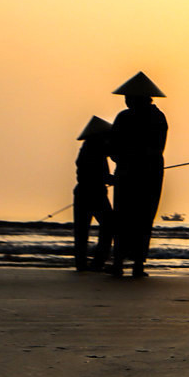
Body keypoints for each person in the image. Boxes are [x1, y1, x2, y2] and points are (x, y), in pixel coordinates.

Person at [107, 72, 169, 279]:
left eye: (128, 97)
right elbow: (157, 148)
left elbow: (113, 149)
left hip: (134, 174)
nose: (126, 100)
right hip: (147, 173)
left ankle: (123, 263)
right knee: (141, 218)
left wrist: (127, 158)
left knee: (126, 217)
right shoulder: (157, 117)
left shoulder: (126, 118)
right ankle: (135, 264)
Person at [71, 116, 114, 272]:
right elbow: (99, 175)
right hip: (95, 193)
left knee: (82, 230)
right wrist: (113, 179)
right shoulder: (95, 150)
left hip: (83, 192)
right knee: (109, 225)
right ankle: (98, 262)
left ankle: (81, 263)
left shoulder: (88, 148)